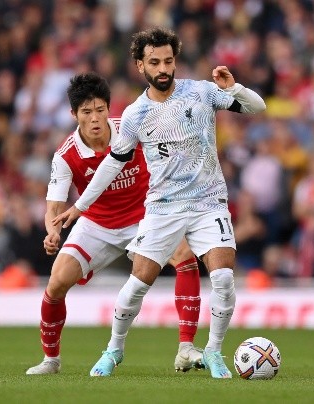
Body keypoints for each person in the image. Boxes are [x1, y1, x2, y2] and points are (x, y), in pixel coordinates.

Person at [54, 28, 266, 379]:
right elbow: (113, 163)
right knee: (138, 284)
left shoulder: (201, 92)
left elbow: (258, 107)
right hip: (163, 209)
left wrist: (233, 88)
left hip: (208, 203)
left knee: (225, 278)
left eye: (168, 60)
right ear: (140, 65)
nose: (163, 68)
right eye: (154, 62)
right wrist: (81, 205)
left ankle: (213, 351)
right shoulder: (136, 114)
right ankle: (114, 350)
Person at [25, 72, 203, 375]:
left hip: (146, 216)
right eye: (86, 112)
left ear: (109, 108)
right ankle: (50, 360)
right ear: (74, 115)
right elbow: (54, 206)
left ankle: (186, 347)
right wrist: (53, 230)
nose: (95, 118)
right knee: (56, 283)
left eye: (100, 110)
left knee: (185, 258)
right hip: (97, 223)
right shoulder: (66, 155)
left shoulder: (130, 131)